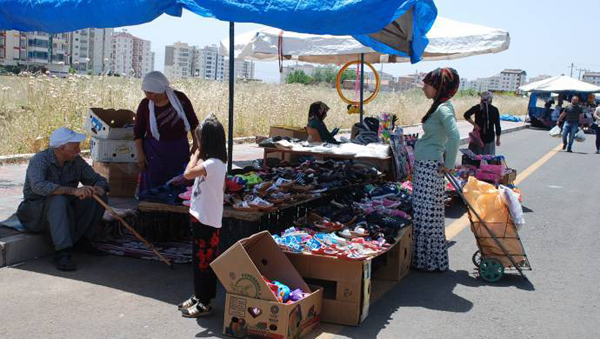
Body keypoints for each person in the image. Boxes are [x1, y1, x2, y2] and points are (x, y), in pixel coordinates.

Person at [16, 127, 110, 271]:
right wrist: (73, 191)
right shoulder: (40, 160)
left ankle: (83, 240)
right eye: (75, 146)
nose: (79, 149)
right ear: (62, 148)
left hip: (65, 209)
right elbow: (39, 187)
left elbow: (98, 179)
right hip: (35, 212)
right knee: (58, 199)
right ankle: (63, 251)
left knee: (96, 196)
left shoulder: (76, 161)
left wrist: (98, 188)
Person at [179, 114, 228, 318]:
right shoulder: (214, 163)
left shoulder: (213, 163)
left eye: (199, 139)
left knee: (204, 262)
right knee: (198, 260)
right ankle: (199, 295)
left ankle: (205, 301)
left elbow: (187, 174)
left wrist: (196, 153)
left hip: (207, 221)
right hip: (201, 217)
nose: (197, 143)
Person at [412, 68, 460, 272]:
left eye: (427, 84)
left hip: (430, 168)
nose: (424, 88)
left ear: (439, 86)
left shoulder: (443, 109)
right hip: (427, 167)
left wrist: (449, 164)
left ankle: (428, 262)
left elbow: (455, 136)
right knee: (425, 214)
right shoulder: (440, 106)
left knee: (427, 215)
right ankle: (425, 261)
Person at [134, 71, 200, 192]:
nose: (148, 96)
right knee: (153, 184)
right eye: (146, 92)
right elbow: (138, 132)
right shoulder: (145, 105)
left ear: (161, 90)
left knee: (178, 182)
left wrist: (196, 144)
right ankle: (150, 208)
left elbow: (193, 123)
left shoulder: (180, 99)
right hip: (154, 152)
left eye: (152, 93)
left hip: (178, 150)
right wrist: (140, 154)